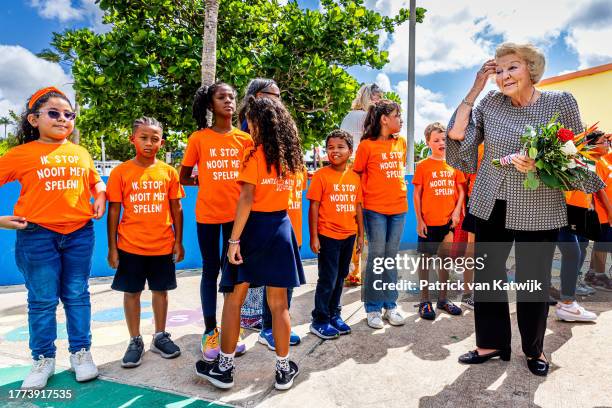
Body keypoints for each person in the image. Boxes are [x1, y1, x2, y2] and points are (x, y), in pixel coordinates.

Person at [446, 42, 605, 376]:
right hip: (492, 202)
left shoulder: (560, 102)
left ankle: (534, 349)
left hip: (539, 205)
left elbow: (576, 155)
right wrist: (476, 87)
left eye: (512, 67)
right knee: (489, 277)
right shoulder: (490, 102)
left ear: (531, 69)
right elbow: (459, 136)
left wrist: (539, 162)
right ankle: (491, 343)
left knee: (533, 281)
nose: (504, 75)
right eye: (498, 70)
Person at [196, 96, 305, 391]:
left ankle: (225, 368)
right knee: (279, 304)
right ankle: (283, 369)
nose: (247, 126)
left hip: (252, 229)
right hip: (281, 230)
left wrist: (233, 240)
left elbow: (246, 199)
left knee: (234, 299)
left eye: (250, 122)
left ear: (258, 124)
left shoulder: (254, 156)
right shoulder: (291, 158)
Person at [0, 87, 106, 389]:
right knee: (42, 300)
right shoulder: (20, 154)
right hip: (37, 235)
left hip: (79, 234)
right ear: (34, 119)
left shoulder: (81, 152)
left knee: (77, 295)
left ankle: (81, 353)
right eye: (54, 113)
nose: (63, 119)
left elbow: (95, 180)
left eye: (69, 115)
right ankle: (43, 359)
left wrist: (100, 194)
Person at [179, 82, 252, 361]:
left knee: (232, 274)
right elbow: (183, 176)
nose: (229, 101)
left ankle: (231, 328)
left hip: (237, 219)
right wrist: (202, 179)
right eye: (222, 97)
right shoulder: (199, 138)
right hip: (208, 215)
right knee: (211, 271)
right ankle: (211, 330)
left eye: (232, 97)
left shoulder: (245, 140)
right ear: (211, 104)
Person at [107, 117, 185, 367]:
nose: (149, 143)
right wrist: (112, 248)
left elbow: (177, 209)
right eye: (144, 137)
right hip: (130, 246)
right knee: (132, 293)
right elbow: (113, 211)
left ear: (161, 142)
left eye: (155, 138)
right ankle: (135, 340)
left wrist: (178, 242)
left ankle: (160, 336)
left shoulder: (168, 172)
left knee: (160, 292)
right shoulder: (121, 172)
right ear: (133, 139)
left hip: (162, 245)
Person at [353, 99, 408, 329]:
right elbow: (356, 175)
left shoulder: (402, 143)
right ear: (384, 119)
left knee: (390, 258)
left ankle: (390, 305)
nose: (400, 120)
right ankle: (373, 309)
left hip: (398, 209)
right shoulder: (366, 146)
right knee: (376, 258)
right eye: (397, 115)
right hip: (374, 210)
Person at [308, 129, 364, 339]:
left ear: (350, 151)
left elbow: (358, 208)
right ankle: (319, 319)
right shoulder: (321, 176)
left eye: (340, 147)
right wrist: (314, 236)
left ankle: (334, 314)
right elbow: (314, 207)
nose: (335, 151)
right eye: (330, 147)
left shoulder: (354, 178)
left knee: (341, 277)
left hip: (349, 235)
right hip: (327, 236)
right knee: (327, 279)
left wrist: (361, 236)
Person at [413, 122, 465, 320]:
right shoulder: (424, 166)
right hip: (428, 223)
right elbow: (417, 194)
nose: (441, 143)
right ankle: (425, 300)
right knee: (425, 261)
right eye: (436, 140)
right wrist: (419, 221)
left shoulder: (453, 163)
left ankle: (443, 299)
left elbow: (460, 191)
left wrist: (456, 212)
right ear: (428, 142)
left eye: (444, 139)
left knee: (444, 261)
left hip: (448, 223)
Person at [341, 83, 383, 286]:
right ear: (368, 97)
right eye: (376, 97)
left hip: (350, 175)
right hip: (364, 175)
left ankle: (353, 270)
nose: (378, 100)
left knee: (355, 224)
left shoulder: (351, 117)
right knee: (364, 226)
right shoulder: (364, 118)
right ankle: (362, 271)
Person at [458, 143, 485, 309]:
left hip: (497, 202)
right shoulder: (475, 148)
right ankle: (468, 293)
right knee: (472, 247)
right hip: (476, 201)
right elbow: (462, 180)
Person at [586, 135, 612, 292]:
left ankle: (592, 273)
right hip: (602, 211)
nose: (607, 144)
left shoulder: (604, 161)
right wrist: (609, 210)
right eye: (603, 142)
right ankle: (599, 276)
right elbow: (599, 191)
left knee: (602, 242)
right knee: (603, 242)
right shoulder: (595, 163)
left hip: (606, 210)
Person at [340, 83, 383, 153]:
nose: (378, 104)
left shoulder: (347, 116)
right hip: (362, 159)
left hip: (347, 159)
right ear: (368, 99)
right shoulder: (367, 117)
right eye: (376, 101)